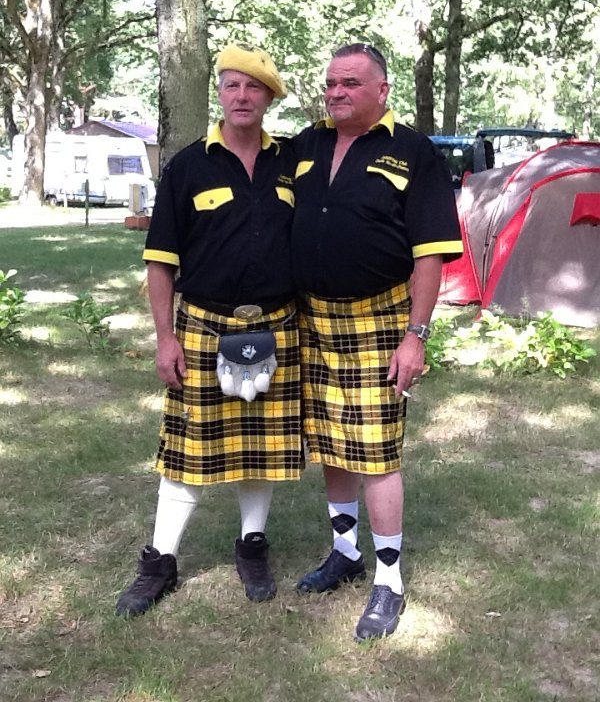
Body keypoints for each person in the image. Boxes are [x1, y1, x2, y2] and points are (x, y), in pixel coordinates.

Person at [116, 44, 304, 616]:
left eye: (253, 87)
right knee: (187, 450)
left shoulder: (294, 162)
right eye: (231, 85)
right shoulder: (188, 166)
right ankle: (161, 561)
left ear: (269, 97)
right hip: (203, 324)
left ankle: (252, 545)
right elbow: (160, 261)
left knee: (261, 447)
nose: (241, 96)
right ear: (219, 94)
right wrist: (164, 338)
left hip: (276, 323)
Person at [291, 43, 463, 642]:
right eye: (331, 83)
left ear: (382, 90)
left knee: (378, 454)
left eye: (351, 83)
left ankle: (389, 581)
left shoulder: (413, 151)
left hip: (380, 321)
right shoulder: (306, 145)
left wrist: (416, 335)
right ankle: (345, 552)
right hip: (314, 321)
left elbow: (430, 254)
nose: (337, 92)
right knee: (332, 444)